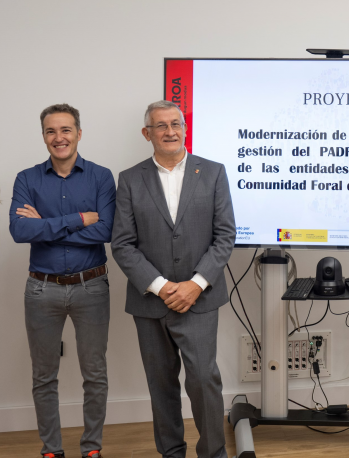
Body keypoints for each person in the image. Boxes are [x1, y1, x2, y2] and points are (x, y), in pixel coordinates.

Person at [111, 100, 236, 458]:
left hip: (199, 300)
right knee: (161, 385)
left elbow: (224, 236)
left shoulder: (212, 173)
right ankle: (171, 453)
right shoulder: (130, 179)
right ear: (146, 133)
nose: (170, 131)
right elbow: (122, 244)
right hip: (151, 301)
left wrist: (195, 284)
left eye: (176, 124)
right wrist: (162, 287)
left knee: (203, 381)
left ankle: (213, 454)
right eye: (161, 125)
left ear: (185, 127)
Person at [9, 104, 116, 458]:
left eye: (66, 130)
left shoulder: (101, 177)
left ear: (79, 134)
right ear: (43, 136)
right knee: (44, 376)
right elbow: (19, 230)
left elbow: (106, 230)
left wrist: (47, 225)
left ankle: (92, 449)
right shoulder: (27, 178)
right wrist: (76, 219)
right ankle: (51, 450)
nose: (59, 138)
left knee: (95, 374)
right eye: (51, 131)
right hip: (42, 289)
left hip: (92, 287)